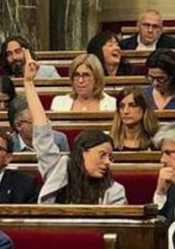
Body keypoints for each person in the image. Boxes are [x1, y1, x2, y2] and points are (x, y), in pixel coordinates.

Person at [23, 54, 126, 205]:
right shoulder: (57, 171)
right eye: (102, 155)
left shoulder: (115, 192)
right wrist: (28, 83)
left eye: (109, 157)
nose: (107, 162)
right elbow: (41, 132)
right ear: (83, 153)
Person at [50, 54, 116, 111]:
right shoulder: (58, 103)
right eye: (76, 75)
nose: (80, 80)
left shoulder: (112, 104)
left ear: (97, 78)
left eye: (86, 75)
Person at [109, 86, 160, 151]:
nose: (126, 111)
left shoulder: (156, 143)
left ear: (144, 109)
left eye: (132, 105)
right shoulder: (109, 144)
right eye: (122, 106)